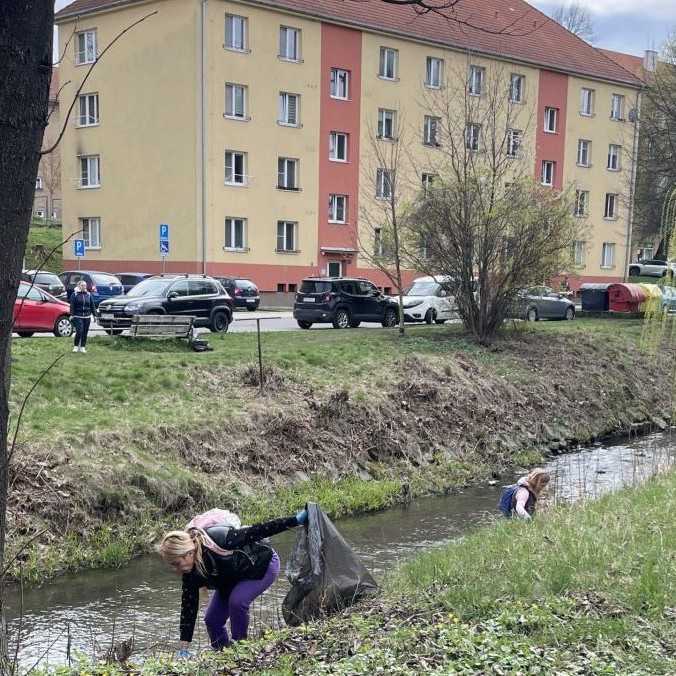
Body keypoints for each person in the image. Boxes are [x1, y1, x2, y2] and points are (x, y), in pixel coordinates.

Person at [159, 509, 308, 657]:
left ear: (189, 553)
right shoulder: (190, 573)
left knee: (237, 601)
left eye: (176, 563)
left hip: (261, 566)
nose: (176, 570)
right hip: (231, 578)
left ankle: (240, 650)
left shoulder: (220, 538)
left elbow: (258, 530)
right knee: (212, 620)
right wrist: (184, 647)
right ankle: (223, 656)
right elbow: (188, 608)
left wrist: (294, 520)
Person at [69, 280, 96, 353]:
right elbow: (72, 306)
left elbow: (92, 305)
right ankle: (76, 346)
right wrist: (72, 314)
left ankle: (82, 347)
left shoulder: (89, 294)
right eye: (82, 285)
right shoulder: (74, 294)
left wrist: (95, 315)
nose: (84, 287)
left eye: (85, 285)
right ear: (78, 286)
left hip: (87, 316)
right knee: (79, 331)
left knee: (85, 332)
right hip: (78, 316)